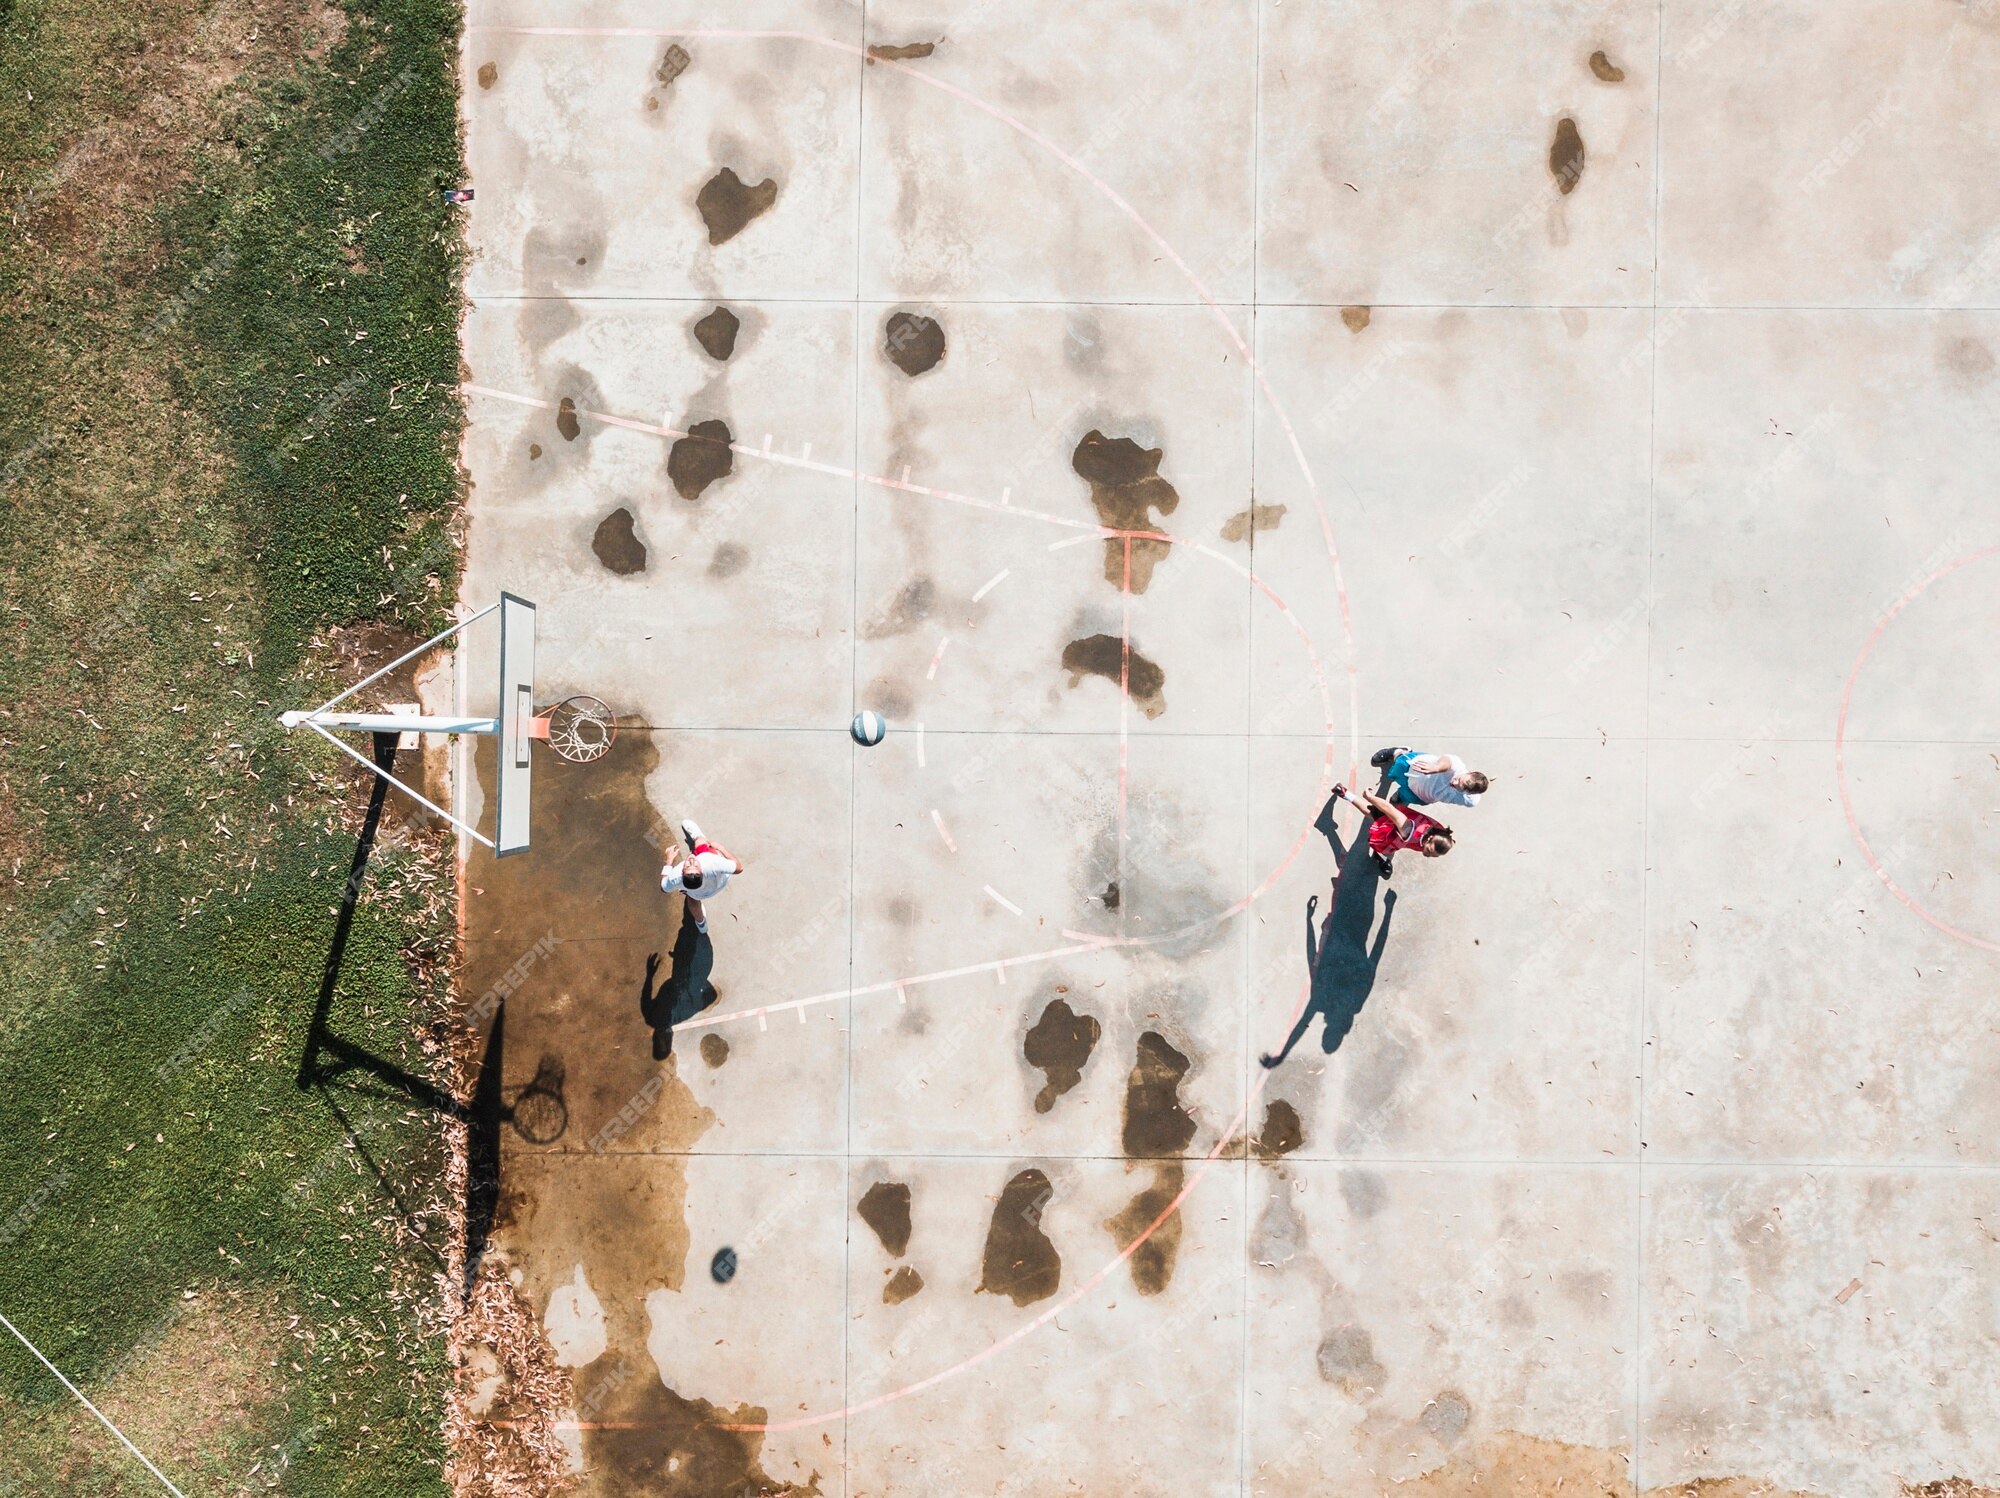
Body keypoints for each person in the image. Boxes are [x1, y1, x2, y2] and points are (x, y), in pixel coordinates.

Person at [1330, 782, 1452, 879]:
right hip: (1390, 827)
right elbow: (1388, 808)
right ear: (1430, 838)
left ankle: (1382, 857)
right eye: (1429, 850)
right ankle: (1344, 793)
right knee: (1369, 812)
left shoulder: (1442, 833)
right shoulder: (1409, 830)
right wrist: (1370, 797)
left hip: (1403, 822)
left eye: (1433, 855)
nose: (1428, 855)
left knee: (1372, 815)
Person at [659, 819, 744, 933]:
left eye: (689, 865)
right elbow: (739, 868)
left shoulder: (676, 877)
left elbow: (663, 887)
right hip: (721, 883)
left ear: (682, 874)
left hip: (698, 894)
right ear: (701, 871)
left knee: (692, 901)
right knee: (700, 842)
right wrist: (720, 848)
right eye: (693, 865)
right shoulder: (713, 863)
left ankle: (701, 924)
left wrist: (669, 860)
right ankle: (697, 836)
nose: (692, 860)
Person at [1370, 746, 1488, 808]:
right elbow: (1447, 761)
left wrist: (1484, 783)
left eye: (1461, 788)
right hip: (1413, 769)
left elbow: (1476, 796)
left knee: (1406, 797)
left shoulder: (1470, 799)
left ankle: (1401, 795)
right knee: (1398, 764)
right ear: (1470, 772)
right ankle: (1398, 751)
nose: (1455, 784)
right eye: (1459, 780)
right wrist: (1437, 768)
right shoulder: (1457, 766)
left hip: (1420, 795)